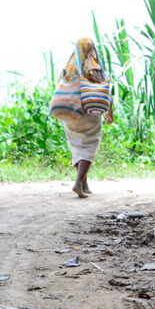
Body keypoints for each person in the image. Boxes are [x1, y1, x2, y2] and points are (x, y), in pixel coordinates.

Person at [59, 37, 113, 198]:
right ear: (91, 49)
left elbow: (60, 87)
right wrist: (110, 110)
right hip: (89, 112)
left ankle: (84, 183)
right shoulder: (94, 66)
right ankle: (78, 183)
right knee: (89, 146)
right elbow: (104, 89)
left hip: (70, 113)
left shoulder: (69, 66)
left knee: (77, 146)